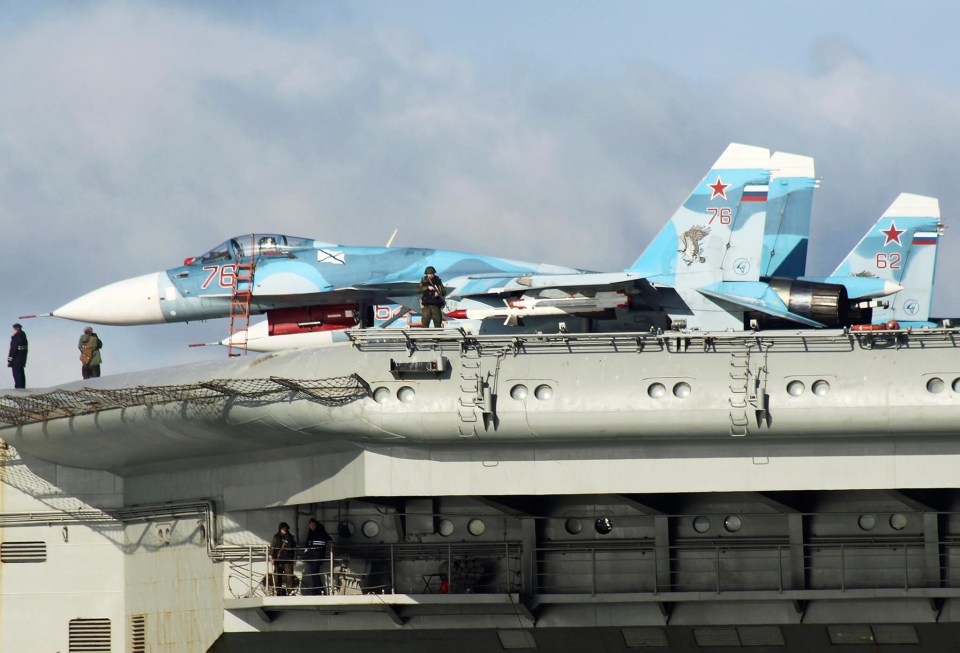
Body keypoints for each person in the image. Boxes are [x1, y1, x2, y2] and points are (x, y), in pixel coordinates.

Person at [302, 518, 333, 595]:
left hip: (317, 556)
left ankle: (319, 590)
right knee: (314, 573)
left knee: (314, 573)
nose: (312, 526)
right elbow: (308, 544)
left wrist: (330, 542)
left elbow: (328, 538)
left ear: (315, 525)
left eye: (313, 525)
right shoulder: (311, 533)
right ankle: (319, 589)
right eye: (311, 525)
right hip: (312, 557)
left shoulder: (320, 532)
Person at [270, 521, 297, 596]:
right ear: (280, 529)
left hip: (288, 560)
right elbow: (272, 547)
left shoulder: (291, 538)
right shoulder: (276, 537)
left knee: (289, 576)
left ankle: (290, 591)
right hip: (278, 560)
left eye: (285, 528)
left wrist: (294, 559)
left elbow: (294, 549)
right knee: (277, 576)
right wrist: (272, 557)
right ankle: (278, 590)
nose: (284, 530)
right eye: (283, 528)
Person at [8, 323, 27, 389]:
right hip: (22, 359)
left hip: (16, 359)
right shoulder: (23, 337)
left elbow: (13, 349)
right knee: (21, 374)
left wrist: (10, 359)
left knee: (17, 374)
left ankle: (19, 389)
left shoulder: (16, 337)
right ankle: (22, 387)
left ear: (16, 329)